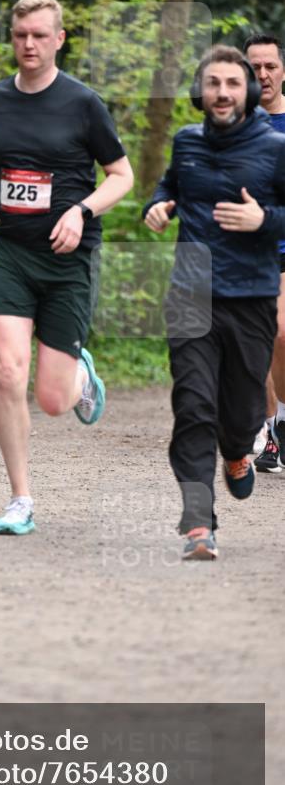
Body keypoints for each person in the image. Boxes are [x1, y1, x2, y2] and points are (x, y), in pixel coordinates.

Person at [0, 0, 134, 535]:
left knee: (52, 399)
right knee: (7, 370)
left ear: (59, 39)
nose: (29, 44)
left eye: (40, 35)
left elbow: (122, 176)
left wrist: (81, 211)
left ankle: (80, 377)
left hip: (68, 259)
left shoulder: (83, 103)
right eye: (21, 35)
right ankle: (20, 498)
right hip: (10, 251)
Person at [143, 45, 285, 561]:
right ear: (199, 93)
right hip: (191, 293)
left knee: (243, 413)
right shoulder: (186, 141)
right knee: (193, 405)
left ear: (248, 91)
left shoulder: (275, 148)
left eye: (232, 83)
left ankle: (239, 450)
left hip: (251, 297)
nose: (222, 93)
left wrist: (264, 221)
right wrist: (157, 206)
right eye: (213, 83)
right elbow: (170, 185)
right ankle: (198, 524)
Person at [244, 34, 285, 473]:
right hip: (245, 250)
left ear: (283, 70)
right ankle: (273, 431)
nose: (263, 74)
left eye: (270, 65)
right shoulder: (234, 125)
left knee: (280, 332)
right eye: (255, 68)